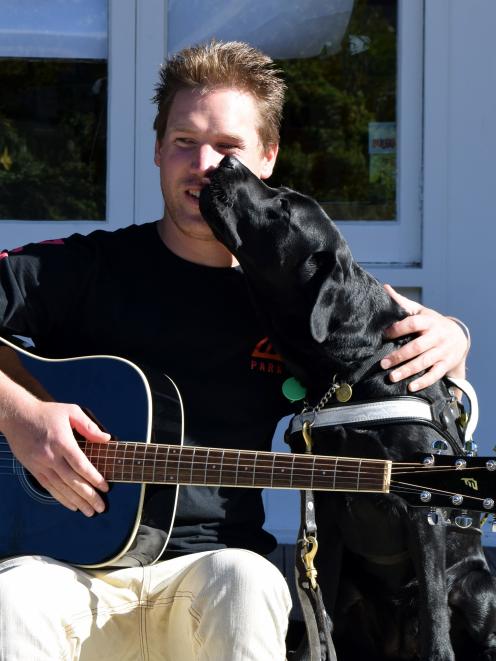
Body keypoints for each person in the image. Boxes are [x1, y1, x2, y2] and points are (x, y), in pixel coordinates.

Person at [0, 40, 469, 660]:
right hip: (62, 568)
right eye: (183, 141)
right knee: (10, 601)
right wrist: (20, 415)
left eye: (227, 147)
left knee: (249, 582)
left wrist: (453, 343)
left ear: (266, 158)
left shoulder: (301, 304)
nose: (202, 163)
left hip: (211, 572)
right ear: (157, 151)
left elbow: (398, 385)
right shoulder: (85, 269)